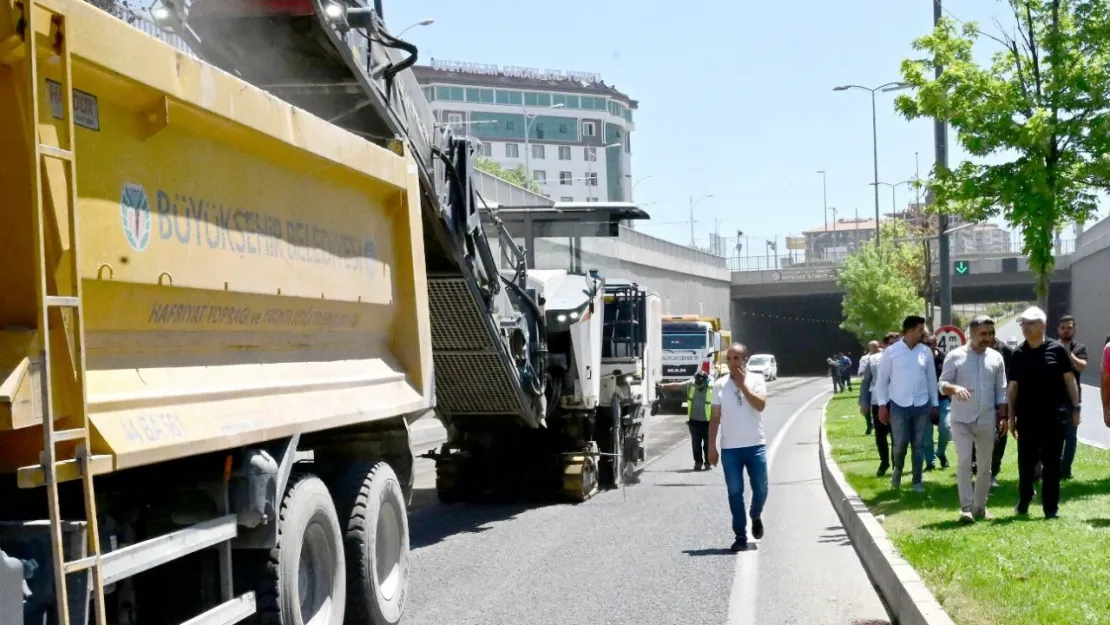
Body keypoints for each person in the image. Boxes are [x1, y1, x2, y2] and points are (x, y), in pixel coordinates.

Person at [1008, 306, 1081, 518]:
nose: (1026, 328)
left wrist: (1076, 408)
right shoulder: (1018, 354)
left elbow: (1070, 381)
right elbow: (1013, 389)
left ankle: (1050, 507)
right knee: (1026, 463)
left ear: (1043, 325)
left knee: (1052, 464)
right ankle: (1024, 499)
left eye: (1030, 324)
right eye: (1023, 324)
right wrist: (1011, 418)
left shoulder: (1057, 350)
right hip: (1027, 418)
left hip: (1054, 417)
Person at [939, 315, 1008, 522]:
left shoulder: (996, 358)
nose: (987, 338)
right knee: (965, 462)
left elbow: (1002, 389)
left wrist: (1003, 416)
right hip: (961, 419)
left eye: (990, 334)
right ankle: (966, 507)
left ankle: (980, 507)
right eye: (983, 334)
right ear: (972, 333)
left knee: (986, 466)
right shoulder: (955, 356)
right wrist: (955, 388)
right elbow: (942, 384)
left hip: (987, 419)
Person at [708, 343, 769, 552]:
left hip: (755, 445)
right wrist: (711, 447)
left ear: (745, 360)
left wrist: (743, 385)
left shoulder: (757, 379)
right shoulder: (719, 385)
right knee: (735, 492)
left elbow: (760, 405)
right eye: (730, 359)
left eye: (737, 358)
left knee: (761, 489)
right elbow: (715, 418)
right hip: (730, 449)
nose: (733, 363)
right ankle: (740, 536)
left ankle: (755, 514)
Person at [875, 315, 940, 492]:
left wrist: (934, 404)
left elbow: (931, 380)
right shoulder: (891, 352)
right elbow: (882, 381)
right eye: (920, 330)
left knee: (919, 444)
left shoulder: (925, 352)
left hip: (922, 405)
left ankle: (917, 481)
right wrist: (882, 405)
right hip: (898, 405)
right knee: (901, 443)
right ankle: (897, 471)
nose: (923, 333)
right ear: (910, 330)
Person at [972, 334, 1015, 488]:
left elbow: (1012, 378)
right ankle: (977, 469)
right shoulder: (973, 350)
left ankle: (993, 473)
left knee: (999, 438)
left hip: (1000, 402)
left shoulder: (1006, 351)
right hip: (977, 402)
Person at [660, 362, 715, 471]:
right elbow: (677, 385)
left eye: (700, 383)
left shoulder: (712, 386)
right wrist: (663, 386)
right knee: (696, 443)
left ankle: (708, 463)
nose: (697, 385)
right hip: (694, 421)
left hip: (709, 421)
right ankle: (698, 462)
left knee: (708, 443)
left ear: (705, 381)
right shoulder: (691, 384)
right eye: (696, 383)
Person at [1055, 315, 1088, 479]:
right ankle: (1052, 469)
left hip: (1072, 402)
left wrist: (1068, 354)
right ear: (1058, 329)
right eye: (1063, 327)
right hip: (1052, 401)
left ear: (1074, 329)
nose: (1066, 330)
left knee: (1071, 437)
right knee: (1053, 438)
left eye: (1069, 327)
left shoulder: (1079, 348)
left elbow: (1082, 367)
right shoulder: (1051, 347)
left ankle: (1066, 470)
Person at [922, 331, 951, 470]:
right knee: (926, 436)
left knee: (945, 429)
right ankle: (930, 462)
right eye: (924, 344)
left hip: (942, 400)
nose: (927, 346)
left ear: (935, 344)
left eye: (930, 344)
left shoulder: (945, 359)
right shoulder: (917, 359)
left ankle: (940, 452)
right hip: (923, 401)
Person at [858, 341, 881, 435]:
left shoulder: (884, 355)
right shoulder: (865, 358)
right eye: (873, 347)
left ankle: (881, 425)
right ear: (869, 348)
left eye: (877, 346)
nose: (876, 348)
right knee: (865, 403)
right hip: (868, 383)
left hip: (880, 383)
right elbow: (861, 372)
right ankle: (869, 423)